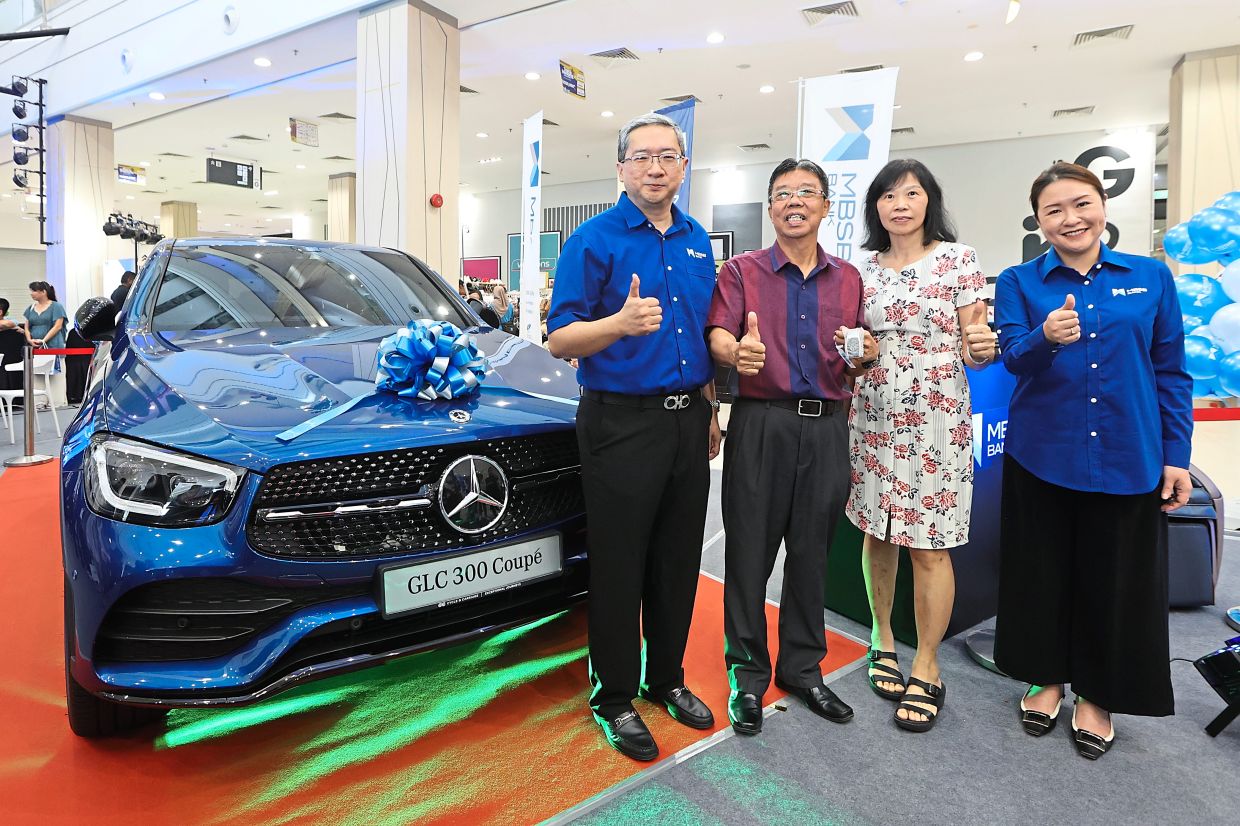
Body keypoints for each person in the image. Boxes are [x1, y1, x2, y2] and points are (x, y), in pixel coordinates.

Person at [993, 162, 1192, 760]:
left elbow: (1171, 372)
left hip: (1130, 454)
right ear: (1039, 221)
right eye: (1054, 210)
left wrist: (1176, 456)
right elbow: (1012, 360)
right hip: (1042, 455)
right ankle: (1046, 678)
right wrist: (1044, 337)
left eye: (1080, 204)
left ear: (1103, 206)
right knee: (1042, 575)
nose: (1070, 219)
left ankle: (1098, 693)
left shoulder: (1151, 277)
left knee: (1116, 581)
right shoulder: (1019, 281)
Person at [547, 111, 721, 761]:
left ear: (683, 166)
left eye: (668, 156)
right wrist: (618, 323)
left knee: (678, 560)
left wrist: (710, 407)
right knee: (620, 566)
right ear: (621, 168)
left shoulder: (698, 240)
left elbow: (702, 336)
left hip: (686, 420)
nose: (655, 167)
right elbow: (561, 338)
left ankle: (666, 679)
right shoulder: (592, 240)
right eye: (642, 156)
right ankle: (614, 697)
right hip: (619, 422)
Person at [707, 158, 874, 735]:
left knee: (811, 556)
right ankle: (747, 677)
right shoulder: (741, 271)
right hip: (760, 423)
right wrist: (735, 353)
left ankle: (803, 668)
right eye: (782, 193)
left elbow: (857, 351)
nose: (793, 202)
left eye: (806, 192)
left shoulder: (849, 279)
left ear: (827, 205)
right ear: (770, 207)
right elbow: (719, 333)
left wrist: (865, 355)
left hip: (828, 428)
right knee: (748, 554)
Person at [841, 159, 998, 732]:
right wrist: (853, 350)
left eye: (911, 193)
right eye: (887, 195)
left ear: (929, 200)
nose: (899, 204)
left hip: (936, 417)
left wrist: (984, 345)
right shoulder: (862, 270)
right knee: (877, 531)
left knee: (931, 546)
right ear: (875, 207)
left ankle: (927, 666)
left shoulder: (957, 260)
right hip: (874, 414)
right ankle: (882, 637)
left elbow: (976, 343)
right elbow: (852, 346)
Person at [23, 280, 68, 350]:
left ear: (44, 292)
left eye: (34, 291)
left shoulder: (56, 306)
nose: (31, 294)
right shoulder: (31, 308)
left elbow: (57, 326)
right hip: (35, 346)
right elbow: (26, 327)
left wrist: (43, 340)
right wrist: (29, 340)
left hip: (54, 345)